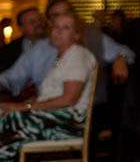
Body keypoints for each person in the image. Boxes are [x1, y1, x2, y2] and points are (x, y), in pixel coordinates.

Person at [0, 11, 97, 160]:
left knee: (8, 122)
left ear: (76, 35)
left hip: (67, 122)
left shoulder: (77, 55)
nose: (58, 31)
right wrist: (22, 104)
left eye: (66, 27)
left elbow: (68, 100)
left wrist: (23, 107)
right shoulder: (61, 58)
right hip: (50, 118)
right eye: (55, 27)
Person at [0, 0, 133, 107]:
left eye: (67, 13)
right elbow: (12, 77)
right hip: (45, 109)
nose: (63, 18)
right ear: (50, 22)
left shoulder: (90, 40)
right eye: (56, 16)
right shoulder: (40, 48)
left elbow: (124, 51)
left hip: (82, 112)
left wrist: (120, 58)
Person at [0, 7, 45, 73]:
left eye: (40, 20)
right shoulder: (8, 51)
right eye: (32, 22)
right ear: (21, 28)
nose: (38, 23)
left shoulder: (55, 44)